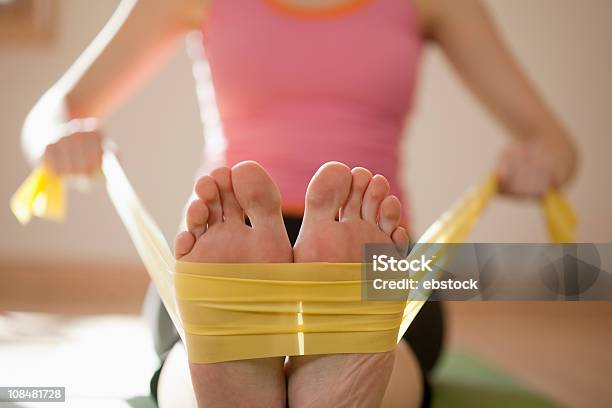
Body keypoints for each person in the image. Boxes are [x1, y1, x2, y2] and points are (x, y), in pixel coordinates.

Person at [21, 0, 577, 406]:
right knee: (206, 328)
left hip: (364, 248)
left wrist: (538, 162)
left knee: (364, 322)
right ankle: (313, 374)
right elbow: (50, 112)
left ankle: (302, 367)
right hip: (234, 242)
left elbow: (557, 146)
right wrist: (59, 136)